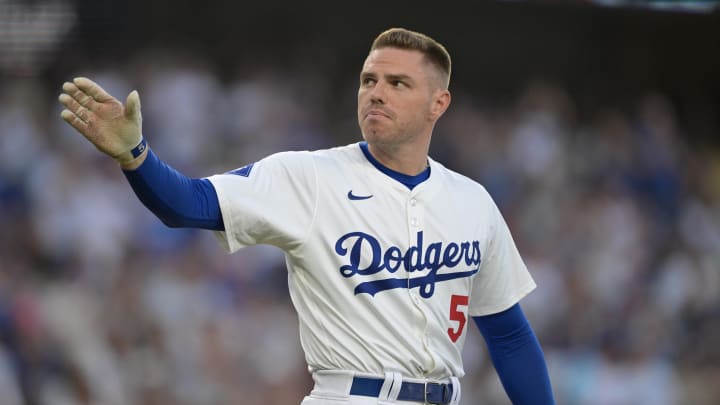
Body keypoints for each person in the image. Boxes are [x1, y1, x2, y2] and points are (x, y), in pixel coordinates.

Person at [59, 27, 555, 405]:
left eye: (398, 82)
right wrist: (136, 155)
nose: (376, 92)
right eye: (369, 80)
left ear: (438, 103)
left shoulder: (472, 201)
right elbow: (187, 205)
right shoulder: (308, 176)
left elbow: (508, 333)